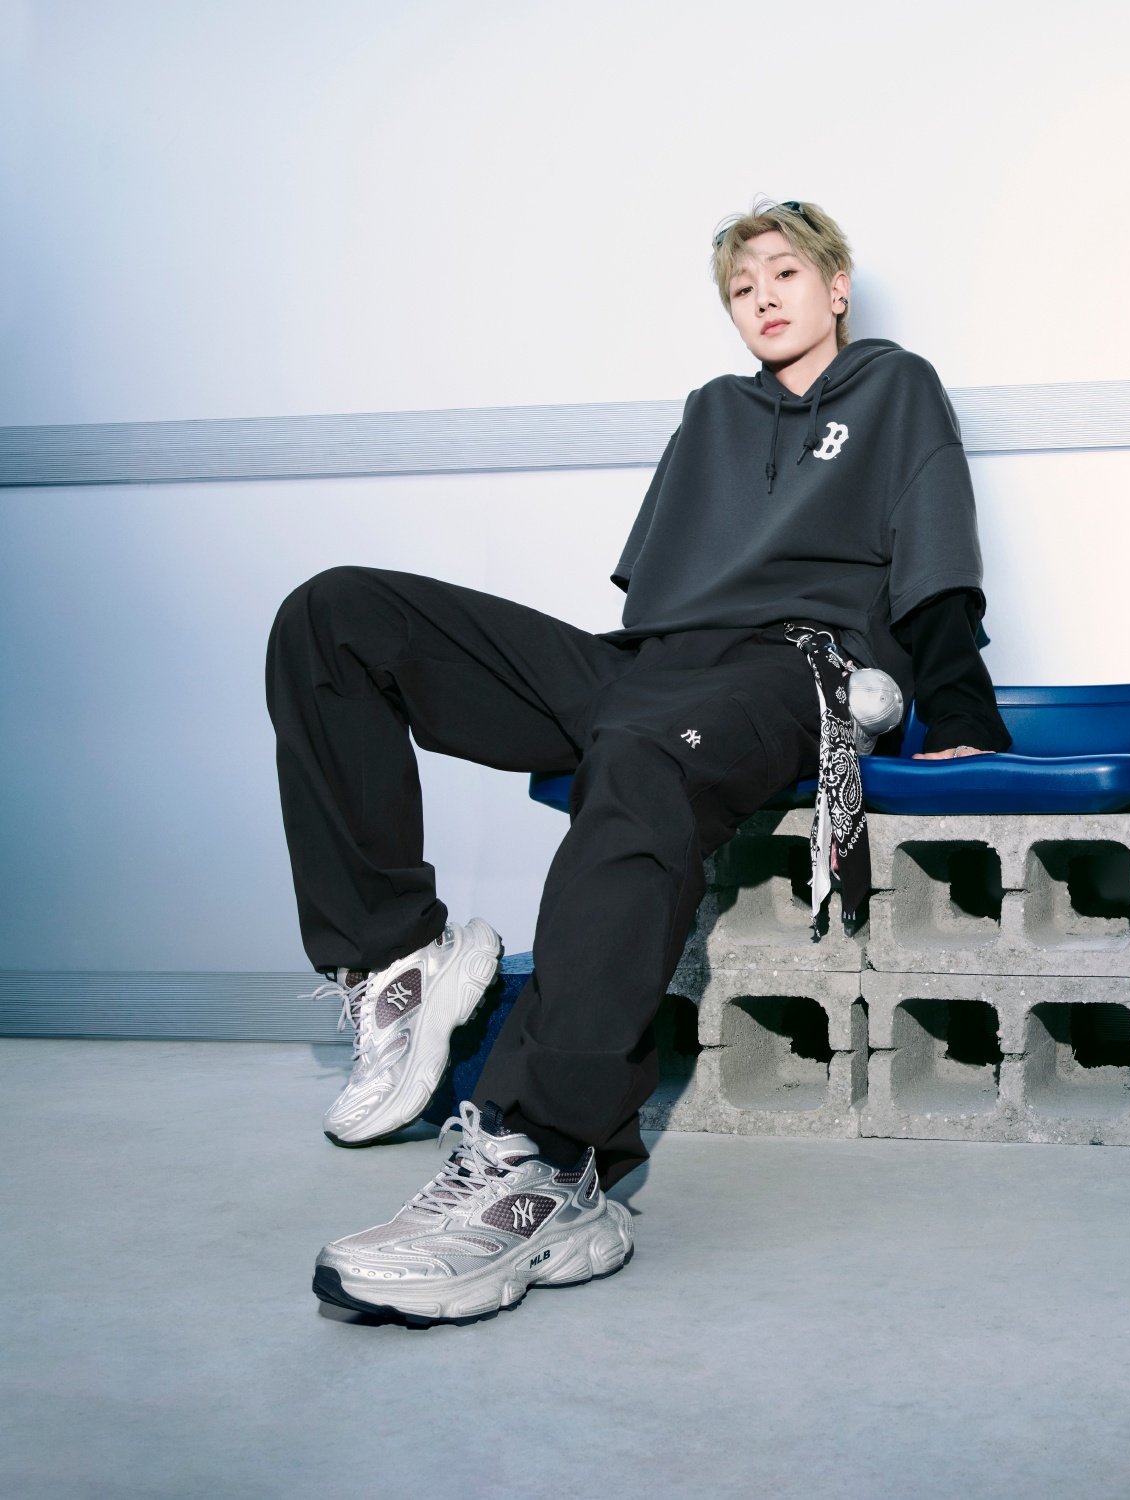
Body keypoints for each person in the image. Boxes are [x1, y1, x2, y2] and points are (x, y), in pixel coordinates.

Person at [267, 199, 1011, 1325]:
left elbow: (938, 560)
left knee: (642, 754)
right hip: (655, 666)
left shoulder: (896, 385)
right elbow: (653, 599)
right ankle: (396, 959)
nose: (760, 297)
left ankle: (548, 1164)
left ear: (836, 286)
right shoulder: (712, 410)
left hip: (792, 667)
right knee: (336, 616)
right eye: (740, 287)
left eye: (783, 274)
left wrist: (960, 708)